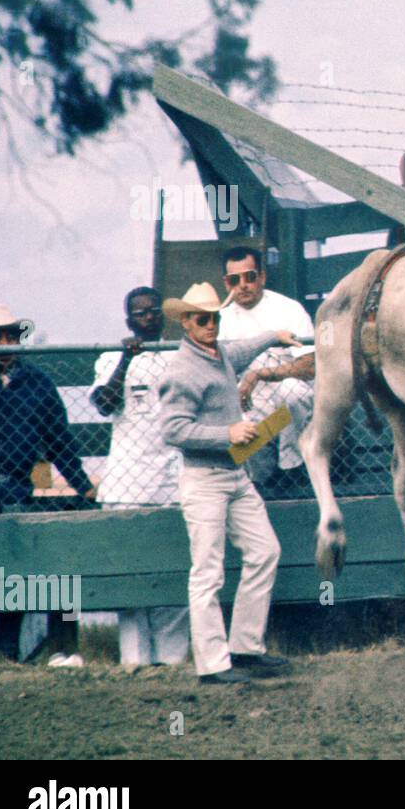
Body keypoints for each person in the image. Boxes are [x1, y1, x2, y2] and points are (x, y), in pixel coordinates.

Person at [158, 282, 301, 684]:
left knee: (265, 550)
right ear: (185, 322)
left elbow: (241, 349)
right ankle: (213, 665)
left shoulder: (217, 354)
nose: (211, 325)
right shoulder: (182, 371)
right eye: (202, 319)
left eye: (215, 318)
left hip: (234, 474)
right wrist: (228, 434)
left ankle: (245, 648)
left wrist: (274, 335)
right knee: (208, 572)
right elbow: (173, 430)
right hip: (204, 479)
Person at [0, 303, 95, 662]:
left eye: (10, 335)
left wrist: (82, 484)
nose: (3, 343)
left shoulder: (38, 383)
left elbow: (58, 439)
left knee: (17, 570)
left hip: (14, 486)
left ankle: (9, 655)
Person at [89, 287, 189, 667]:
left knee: (175, 575)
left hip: (172, 481)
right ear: (128, 319)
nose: (147, 317)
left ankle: (172, 662)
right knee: (131, 578)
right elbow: (103, 404)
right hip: (127, 484)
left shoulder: (179, 355)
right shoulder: (109, 358)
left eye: (152, 311)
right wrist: (127, 361)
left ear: (162, 316)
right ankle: (135, 663)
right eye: (139, 313)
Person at [217, 247, 316, 498]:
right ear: (226, 283)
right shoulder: (221, 319)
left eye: (249, 277)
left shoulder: (288, 309)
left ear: (262, 277)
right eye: (234, 280)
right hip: (249, 394)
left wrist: (260, 374)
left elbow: (309, 366)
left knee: (290, 392)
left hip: (291, 388)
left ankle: (292, 466)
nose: (243, 285)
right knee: (235, 413)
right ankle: (263, 478)